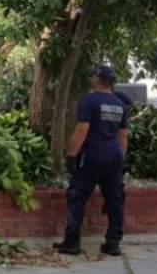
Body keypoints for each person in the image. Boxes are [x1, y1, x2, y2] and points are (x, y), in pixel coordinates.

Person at [53, 65, 130, 257]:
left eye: (93, 75)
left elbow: (81, 130)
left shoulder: (89, 101)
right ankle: (113, 243)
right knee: (115, 199)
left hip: (93, 156)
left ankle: (72, 242)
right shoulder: (120, 104)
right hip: (114, 156)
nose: (91, 77)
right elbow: (123, 136)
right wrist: (121, 159)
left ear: (98, 78)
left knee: (77, 196)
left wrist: (71, 155)